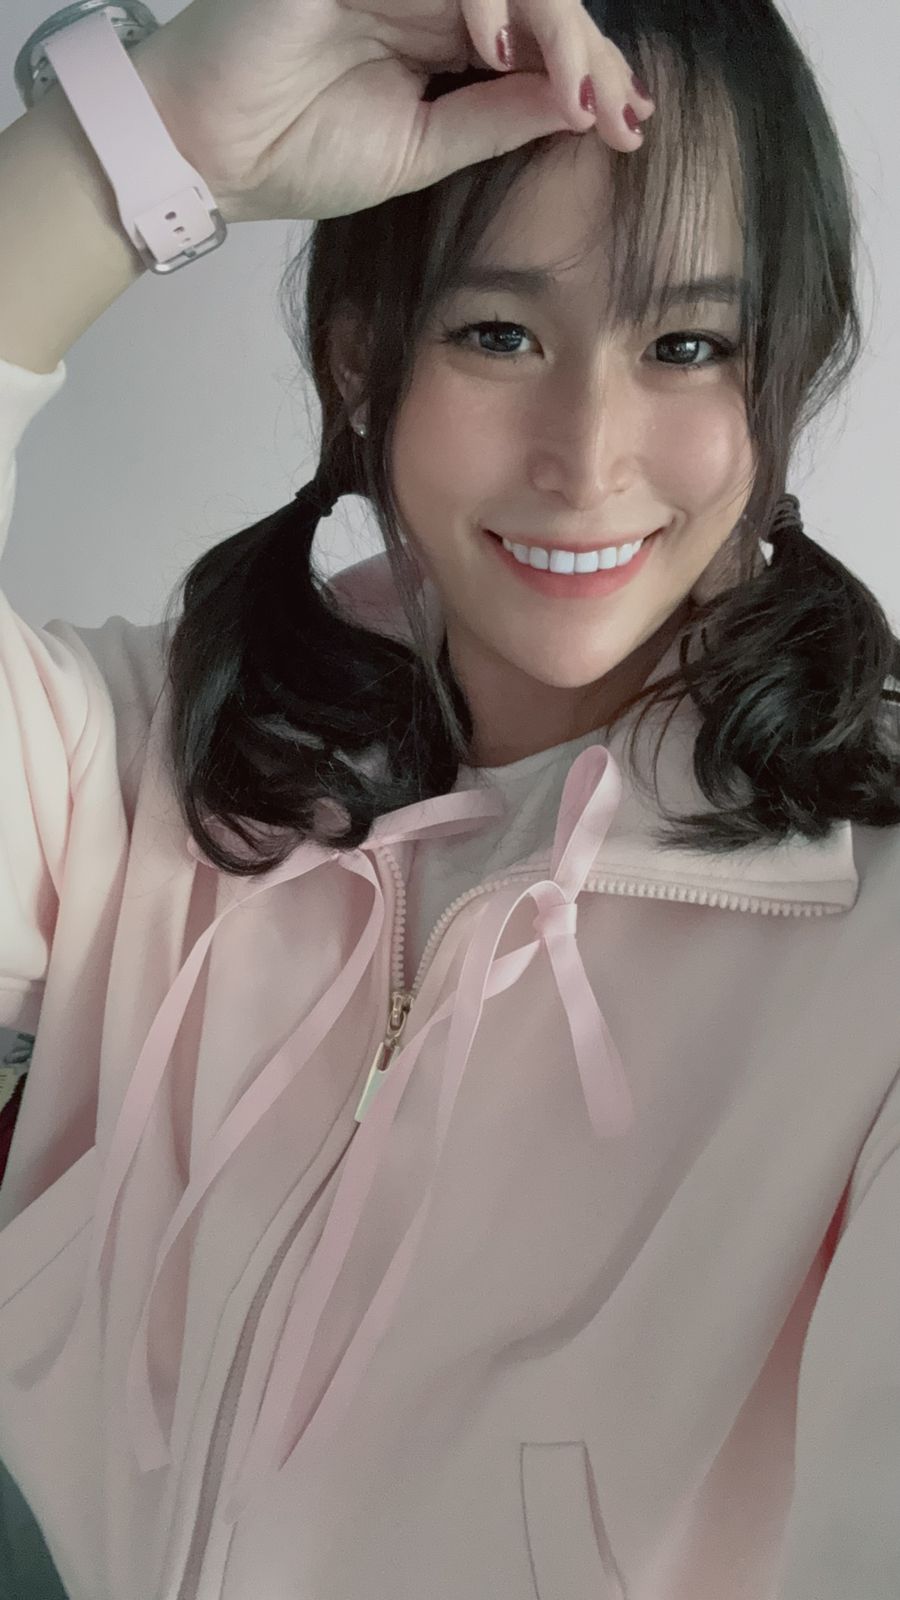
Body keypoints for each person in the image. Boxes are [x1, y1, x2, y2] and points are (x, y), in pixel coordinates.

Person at [0, 0, 898, 1596]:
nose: (588, 455)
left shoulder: (876, 942)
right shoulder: (130, 762)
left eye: (688, 345)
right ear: (364, 360)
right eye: (499, 333)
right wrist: (142, 139)